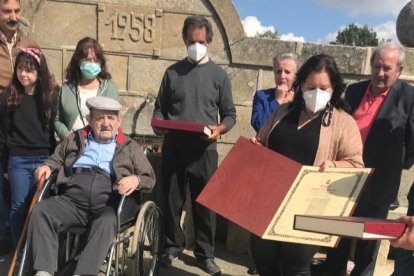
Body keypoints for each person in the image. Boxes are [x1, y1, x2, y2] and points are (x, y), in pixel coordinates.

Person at [250, 54, 364, 276]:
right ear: (301, 84)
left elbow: (356, 164)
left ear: (334, 89)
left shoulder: (344, 122)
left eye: (324, 87)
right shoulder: (282, 111)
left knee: (296, 266)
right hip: (267, 201)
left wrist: (334, 165)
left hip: (305, 209)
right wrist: (255, 148)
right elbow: (262, 141)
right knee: (263, 259)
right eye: (311, 86)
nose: (317, 93)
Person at [27, 96, 156, 276]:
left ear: (119, 121)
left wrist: (136, 179)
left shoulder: (129, 146)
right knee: (41, 211)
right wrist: (47, 166)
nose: (106, 123)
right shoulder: (76, 138)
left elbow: (149, 178)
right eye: (99, 118)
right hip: (71, 199)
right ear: (90, 120)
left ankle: (82, 273)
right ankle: (44, 272)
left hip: (107, 201)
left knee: (107, 221)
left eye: (111, 118)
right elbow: (56, 159)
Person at [152, 14, 236, 275]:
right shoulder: (172, 73)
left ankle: (204, 254)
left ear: (209, 41)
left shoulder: (219, 76)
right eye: (191, 41)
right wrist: (158, 124)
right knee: (171, 199)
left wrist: (219, 130)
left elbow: (230, 115)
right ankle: (172, 246)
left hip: (205, 149)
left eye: (200, 41)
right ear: (184, 40)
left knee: (204, 205)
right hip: (174, 147)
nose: (195, 45)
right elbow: (159, 110)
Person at [324, 42, 414, 276]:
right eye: (376, 66)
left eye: (386, 68)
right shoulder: (354, 91)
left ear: (399, 70)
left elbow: (412, 142)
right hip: (345, 181)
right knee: (337, 239)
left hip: (379, 185)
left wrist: (395, 165)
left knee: (367, 246)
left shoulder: (409, 97)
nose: (380, 73)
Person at [0, 47, 57, 247]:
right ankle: (20, 251)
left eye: (29, 70)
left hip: (42, 159)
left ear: (38, 72)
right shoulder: (10, 97)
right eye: (20, 69)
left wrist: (52, 162)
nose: (23, 74)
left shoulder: (49, 99)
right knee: (18, 208)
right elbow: (4, 136)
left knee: (39, 208)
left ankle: (36, 251)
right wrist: (6, 164)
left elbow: (50, 134)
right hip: (18, 160)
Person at [0, 0, 38, 256]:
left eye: (16, 11)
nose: (13, 16)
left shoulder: (29, 42)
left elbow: (41, 74)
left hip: (18, 121)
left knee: (10, 180)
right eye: (7, 11)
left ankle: (12, 241)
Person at [54, 36, 118, 141]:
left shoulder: (109, 88)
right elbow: (57, 120)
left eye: (96, 60)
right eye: (88, 60)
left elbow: (113, 120)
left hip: (100, 146)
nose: (92, 64)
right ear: (78, 61)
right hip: (72, 147)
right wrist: (67, 137)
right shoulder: (66, 89)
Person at [251, 53, 297, 133]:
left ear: (295, 76)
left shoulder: (302, 97)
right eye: (279, 72)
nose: (282, 76)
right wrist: (277, 101)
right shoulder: (262, 96)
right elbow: (259, 125)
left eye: (287, 72)